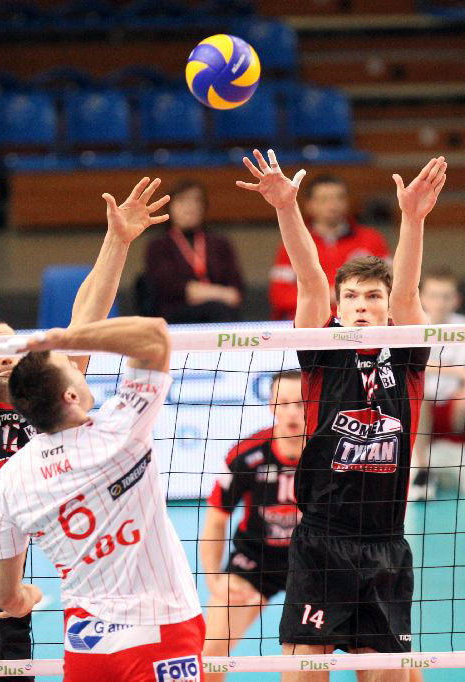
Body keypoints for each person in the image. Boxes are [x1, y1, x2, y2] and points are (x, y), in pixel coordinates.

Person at [0, 176, 169, 678]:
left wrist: (117, 240)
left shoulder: (45, 405)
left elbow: (86, 321)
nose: (2, 353)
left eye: (11, 346)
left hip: (7, 599)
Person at [237, 148, 446, 681]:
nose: (360, 305)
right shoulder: (322, 352)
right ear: (339, 306)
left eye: (372, 296)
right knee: (305, 669)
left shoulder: (407, 354)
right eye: (350, 296)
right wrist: (287, 208)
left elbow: (408, 289)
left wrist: (413, 218)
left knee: (388, 673)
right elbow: (309, 281)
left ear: (386, 307)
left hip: (385, 542)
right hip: (322, 541)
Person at [0, 317, 204, 682]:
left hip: (86, 648)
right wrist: (67, 337)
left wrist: (25, 598)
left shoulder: (9, 478)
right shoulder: (120, 429)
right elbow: (154, 335)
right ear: (70, 396)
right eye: (70, 366)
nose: (76, 366)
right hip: (161, 632)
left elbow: (4, 597)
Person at [201, 370, 304, 681]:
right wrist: (214, 579)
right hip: (255, 560)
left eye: (300, 403)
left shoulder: (329, 453)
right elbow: (216, 519)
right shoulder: (246, 454)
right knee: (210, 653)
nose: (292, 412)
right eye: (283, 403)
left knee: (376, 647)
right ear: (271, 405)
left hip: (313, 562)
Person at [268, 174, 391, 321]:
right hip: (311, 325)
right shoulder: (295, 243)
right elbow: (280, 295)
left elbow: (391, 287)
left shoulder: (372, 239)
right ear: (309, 205)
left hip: (363, 323)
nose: (333, 204)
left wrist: (345, 296)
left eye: (339, 198)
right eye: (324, 199)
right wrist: (330, 295)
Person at [144, 179, 245, 323]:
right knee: (215, 310)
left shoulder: (220, 243)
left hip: (222, 313)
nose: (190, 207)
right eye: (182, 201)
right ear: (170, 207)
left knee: (221, 312)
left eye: (196, 201)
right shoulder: (159, 245)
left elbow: (236, 291)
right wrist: (220, 294)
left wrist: (199, 292)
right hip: (175, 318)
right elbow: (168, 287)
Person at [410, 268, 465, 500]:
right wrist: (455, 371)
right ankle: (423, 472)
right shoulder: (413, 326)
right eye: (433, 295)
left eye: (446, 296)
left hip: (453, 408)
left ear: (456, 300)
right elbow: (412, 365)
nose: (440, 302)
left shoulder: (462, 327)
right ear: (422, 298)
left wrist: (431, 365)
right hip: (422, 410)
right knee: (417, 397)